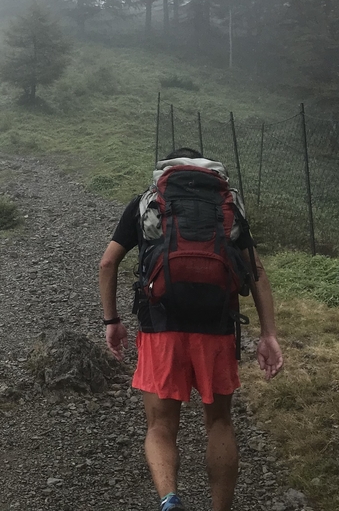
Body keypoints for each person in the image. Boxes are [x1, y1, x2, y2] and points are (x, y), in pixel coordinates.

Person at [98, 148, 283, 511]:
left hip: (160, 327)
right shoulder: (226, 203)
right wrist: (268, 334)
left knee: (160, 426)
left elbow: (108, 262)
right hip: (217, 327)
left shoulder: (147, 202)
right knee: (219, 422)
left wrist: (112, 321)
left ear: (166, 170)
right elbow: (256, 272)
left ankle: (170, 500)